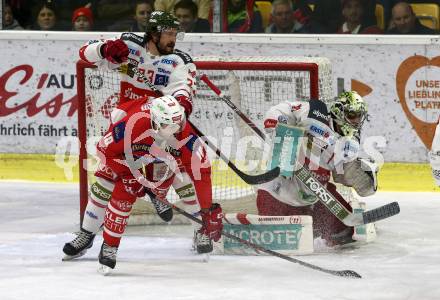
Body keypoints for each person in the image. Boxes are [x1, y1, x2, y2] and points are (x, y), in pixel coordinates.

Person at [64, 95, 223, 272]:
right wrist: (128, 175)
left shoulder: (186, 135)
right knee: (111, 189)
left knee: (182, 181)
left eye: (179, 124)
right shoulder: (131, 125)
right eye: (168, 126)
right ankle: (93, 237)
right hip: (126, 153)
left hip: (162, 156)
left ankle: (192, 224)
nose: (176, 130)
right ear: (155, 122)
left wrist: (208, 210)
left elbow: (202, 173)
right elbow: (103, 151)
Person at [257, 91, 378, 246]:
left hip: (313, 199)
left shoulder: (350, 145)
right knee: (275, 244)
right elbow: (280, 110)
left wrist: (366, 179)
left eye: (359, 116)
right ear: (338, 112)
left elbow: (344, 177)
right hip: (277, 194)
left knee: (344, 235)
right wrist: (279, 129)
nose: (356, 121)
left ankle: (321, 231)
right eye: (353, 115)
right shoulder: (315, 111)